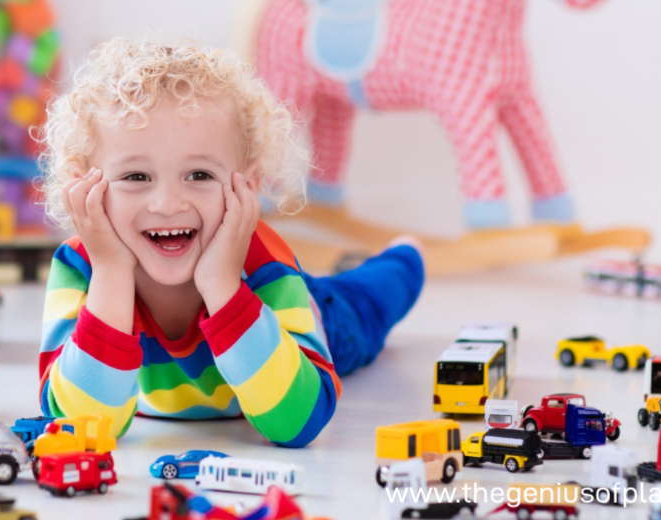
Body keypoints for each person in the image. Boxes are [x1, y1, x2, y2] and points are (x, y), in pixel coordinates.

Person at [33, 37, 423, 447]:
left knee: (368, 301)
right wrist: (111, 272)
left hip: (295, 333)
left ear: (248, 186)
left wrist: (223, 284)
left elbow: (299, 423)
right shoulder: (82, 267)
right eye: (136, 177)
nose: (167, 204)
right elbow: (78, 428)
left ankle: (404, 255)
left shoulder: (263, 264)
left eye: (199, 175)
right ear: (83, 185)